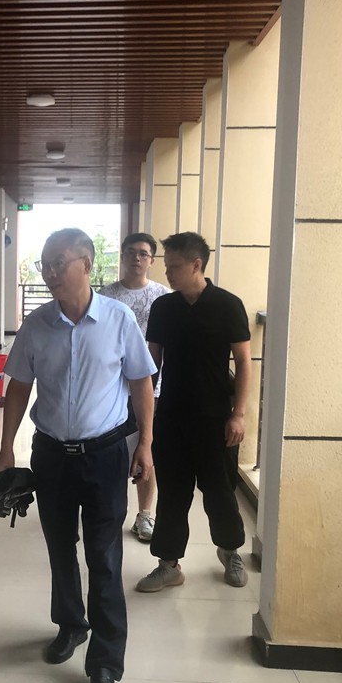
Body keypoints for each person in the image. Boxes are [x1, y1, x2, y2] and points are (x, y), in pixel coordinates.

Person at [0, 228, 157, 683]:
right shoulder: (36, 324)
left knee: (104, 556)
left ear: (86, 264)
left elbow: (141, 382)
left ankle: (105, 665)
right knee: (60, 546)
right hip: (50, 455)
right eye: (44, 264)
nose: (48, 272)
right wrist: (6, 448)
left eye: (57, 263)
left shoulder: (119, 319)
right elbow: (18, 387)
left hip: (105, 455)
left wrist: (146, 444)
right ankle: (70, 624)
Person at [135, 231, 252, 592]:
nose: (167, 273)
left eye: (174, 266)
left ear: (196, 265)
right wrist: (143, 413)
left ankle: (230, 551)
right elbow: (152, 363)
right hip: (172, 416)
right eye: (166, 265)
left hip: (216, 418)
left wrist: (238, 414)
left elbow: (244, 362)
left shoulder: (228, 305)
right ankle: (168, 564)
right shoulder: (164, 308)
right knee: (173, 493)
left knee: (220, 492)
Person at [98, 232, 171, 542]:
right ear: (122, 256)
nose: (136, 258)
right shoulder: (106, 295)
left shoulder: (164, 297)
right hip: (112, 388)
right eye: (130, 252)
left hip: (152, 388)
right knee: (111, 452)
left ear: (152, 260)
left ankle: (145, 514)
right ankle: (108, 512)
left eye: (143, 253)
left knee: (146, 448)